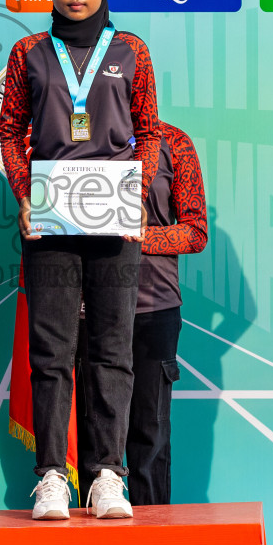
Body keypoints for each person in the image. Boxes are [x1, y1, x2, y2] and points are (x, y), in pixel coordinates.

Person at [0, 0, 159, 521]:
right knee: (52, 352)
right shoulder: (29, 52)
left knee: (113, 349)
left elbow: (149, 133)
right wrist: (23, 194)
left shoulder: (131, 49)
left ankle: (107, 475)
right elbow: (12, 130)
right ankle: (51, 477)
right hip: (50, 219)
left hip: (112, 215)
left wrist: (138, 195)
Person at [77, 119, 207, 507]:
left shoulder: (175, 141)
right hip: (90, 309)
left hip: (154, 307)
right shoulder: (76, 136)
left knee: (150, 436)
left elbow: (195, 231)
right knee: (94, 435)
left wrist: (130, 231)